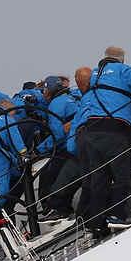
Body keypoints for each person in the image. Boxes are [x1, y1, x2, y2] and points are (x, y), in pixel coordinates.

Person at [79, 46, 131, 237]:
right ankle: (118, 217)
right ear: (122, 60)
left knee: (98, 180)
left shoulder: (95, 75)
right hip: (115, 132)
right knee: (121, 176)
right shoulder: (122, 71)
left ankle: (96, 223)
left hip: (92, 132)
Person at [37, 74, 82, 221]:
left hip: (69, 146)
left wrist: (39, 149)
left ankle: (56, 209)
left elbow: (58, 135)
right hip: (82, 142)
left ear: (49, 90)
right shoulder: (72, 98)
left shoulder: (56, 104)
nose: (43, 94)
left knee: (47, 176)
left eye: (44, 91)